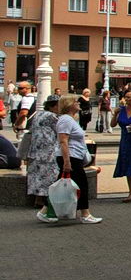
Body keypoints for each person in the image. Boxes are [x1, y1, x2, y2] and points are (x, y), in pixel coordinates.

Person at [42, 95, 102, 224]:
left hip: (73, 156)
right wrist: (67, 161)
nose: (78, 103)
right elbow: (63, 141)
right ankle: (85, 214)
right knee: (82, 185)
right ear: (69, 105)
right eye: (75, 101)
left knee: (62, 184)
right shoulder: (66, 120)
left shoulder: (70, 119)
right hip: (71, 157)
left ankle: (44, 211)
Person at [25, 97, 59, 211]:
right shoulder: (52, 116)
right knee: (47, 175)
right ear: (53, 106)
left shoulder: (38, 115)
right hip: (47, 151)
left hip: (35, 150)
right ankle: (43, 201)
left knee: (36, 175)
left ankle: (37, 200)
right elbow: (59, 131)